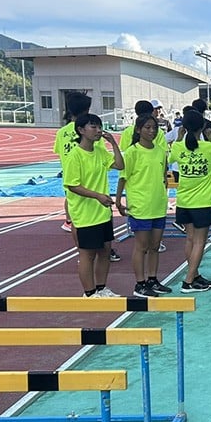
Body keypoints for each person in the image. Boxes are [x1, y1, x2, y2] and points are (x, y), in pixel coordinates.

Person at [62, 114, 125, 297]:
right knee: (87, 255)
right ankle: (89, 293)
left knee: (104, 252)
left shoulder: (99, 151)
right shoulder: (75, 156)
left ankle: (101, 288)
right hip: (85, 213)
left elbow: (120, 165)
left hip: (102, 212)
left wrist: (113, 144)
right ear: (81, 130)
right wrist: (97, 195)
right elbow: (72, 185)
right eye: (93, 127)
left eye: (99, 127)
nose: (98, 131)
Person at [168, 110, 211, 292]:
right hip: (203, 202)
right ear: (202, 127)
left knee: (190, 240)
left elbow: (171, 159)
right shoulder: (210, 148)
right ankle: (189, 280)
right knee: (200, 242)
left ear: (183, 128)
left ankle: (195, 274)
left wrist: (179, 138)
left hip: (184, 201)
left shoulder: (178, 147)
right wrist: (210, 139)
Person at [115, 114, 170, 297]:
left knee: (155, 245)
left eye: (154, 128)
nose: (152, 131)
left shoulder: (161, 151)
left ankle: (152, 279)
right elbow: (123, 178)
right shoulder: (132, 152)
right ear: (138, 130)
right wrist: (118, 200)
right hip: (140, 206)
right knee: (142, 246)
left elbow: (163, 175)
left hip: (158, 205)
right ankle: (140, 284)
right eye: (147, 127)